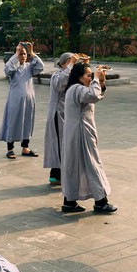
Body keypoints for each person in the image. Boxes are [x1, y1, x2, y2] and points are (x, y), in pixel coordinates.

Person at [61, 62, 116, 214]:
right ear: (79, 76)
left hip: (76, 132)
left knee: (74, 166)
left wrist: (101, 80)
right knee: (92, 164)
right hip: (81, 133)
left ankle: (69, 201)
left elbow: (95, 93)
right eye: (88, 75)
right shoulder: (78, 89)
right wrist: (97, 79)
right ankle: (101, 202)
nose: (91, 78)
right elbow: (93, 95)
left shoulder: (75, 88)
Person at [0, 42, 43, 159]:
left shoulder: (29, 67)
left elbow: (40, 66)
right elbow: (7, 70)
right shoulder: (13, 68)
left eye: (25, 54)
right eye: (21, 54)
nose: (23, 56)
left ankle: (25, 147)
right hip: (15, 100)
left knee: (27, 122)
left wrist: (32, 52)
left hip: (28, 100)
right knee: (13, 122)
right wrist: (16, 55)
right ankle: (10, 149)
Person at [43, 52, 78, 185]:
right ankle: (56, 174)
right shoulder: (57, 75)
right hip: (58, 114)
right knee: (59, 144)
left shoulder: (70, 76)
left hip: (69, 115)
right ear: (63, 64)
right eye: (69, 62)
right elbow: (60, 84)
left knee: (67, 144)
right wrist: (71, 65)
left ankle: (63, 174)